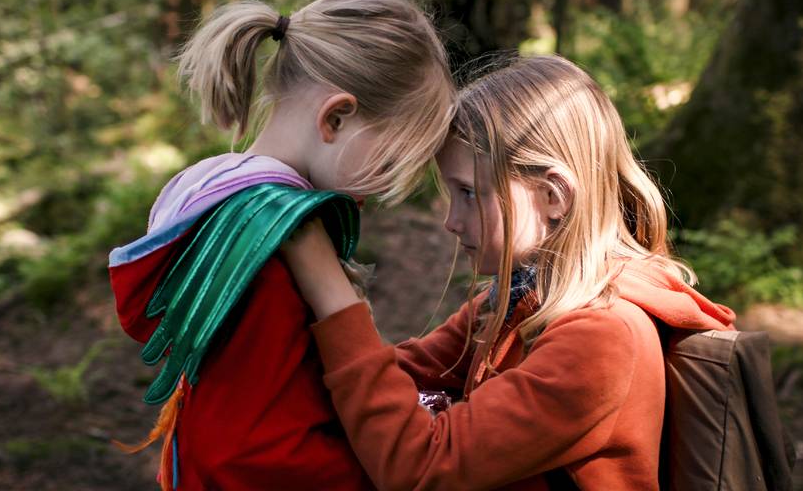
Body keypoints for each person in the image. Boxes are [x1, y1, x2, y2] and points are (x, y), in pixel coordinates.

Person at [281, 55, 736, 490]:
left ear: (554, 196)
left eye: (468, 194)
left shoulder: (601, 338)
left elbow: (418, 466)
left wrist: (333, 296)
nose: (451, 222)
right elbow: (395, 376)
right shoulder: (515, 301)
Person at [107, 0, 454, 490]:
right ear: (336, 118)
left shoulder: (219, 191)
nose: (384, 188)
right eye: (390, 161)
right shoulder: (271, 249)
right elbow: (257, 445)